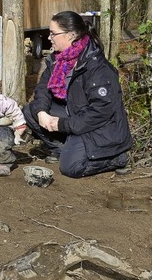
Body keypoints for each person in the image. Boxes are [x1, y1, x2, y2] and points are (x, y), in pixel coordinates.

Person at [22, 11, 132, 178]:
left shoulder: (97, 67)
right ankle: (61, 149)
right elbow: (43, 89)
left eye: (53, 33)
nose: (49, 37)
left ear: (71, 35)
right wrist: (42, 113)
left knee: (71, 168)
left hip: (100, 127)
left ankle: (117, 158)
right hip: (75, 115)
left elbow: (101, 111)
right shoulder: (56, 59)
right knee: (31, 111)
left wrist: (63, 125)